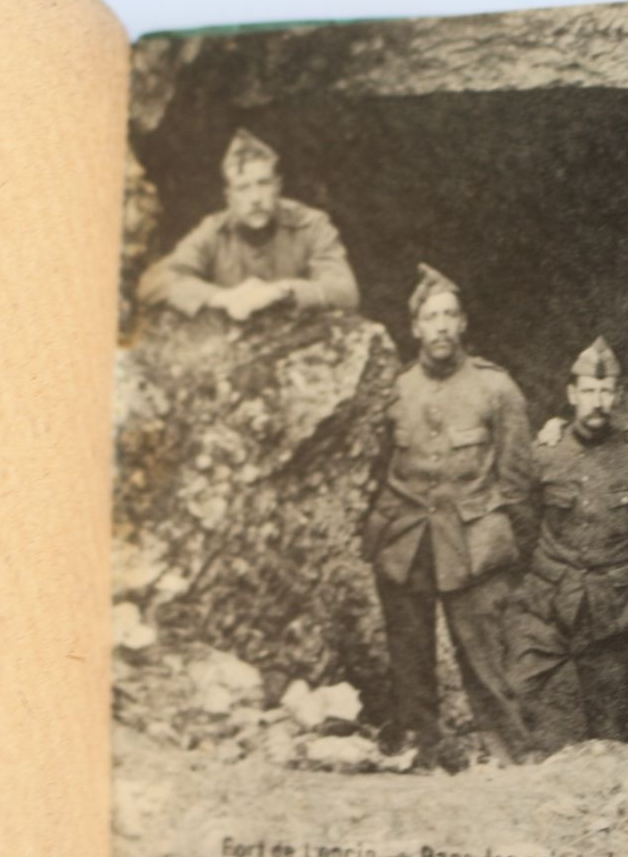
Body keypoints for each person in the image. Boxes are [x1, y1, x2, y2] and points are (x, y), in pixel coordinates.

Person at [361, 264, 533, 771]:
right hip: (406, 539)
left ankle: (511, 753)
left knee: (486, 658)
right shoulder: (393, 391)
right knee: (409, 655)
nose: (440, 326)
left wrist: (506, 547)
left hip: (473, 542)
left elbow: (519, 481)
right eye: (430, 317)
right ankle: (423, 751)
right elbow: (372, 468)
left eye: (449, 315)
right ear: (415, 328)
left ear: (462, 324)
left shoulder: (496, 390)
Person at [507, 337, 628, 743]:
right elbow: (522, 526)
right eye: (589, 391)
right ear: (572, 395)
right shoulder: (545, 455)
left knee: (610, 731)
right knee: (511, 697)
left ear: (618, 395)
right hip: (548, 605)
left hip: (613, 611)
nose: (598, 401)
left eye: (606, 391)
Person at [138, 128, 359, 319]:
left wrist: (281, 291)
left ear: (278, 187)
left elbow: (346, 291)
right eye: (243, 188)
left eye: (263, 183)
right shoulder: (215, 231)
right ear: (229, 197)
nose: (255, 198)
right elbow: (154, 282)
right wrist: (223, 297)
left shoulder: (310, 224)